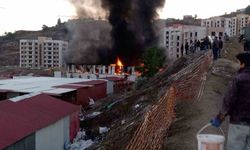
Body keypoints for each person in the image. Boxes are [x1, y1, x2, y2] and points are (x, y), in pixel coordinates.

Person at [211, 52, 250, 150]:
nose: (238, 65)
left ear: (243, 64)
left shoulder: (239, 79)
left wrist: (220, 117)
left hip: (239, 123)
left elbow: (229, 100)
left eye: (239, 62)